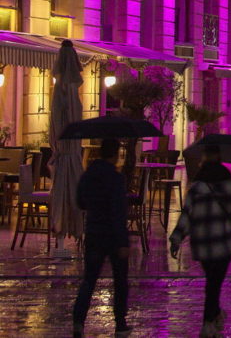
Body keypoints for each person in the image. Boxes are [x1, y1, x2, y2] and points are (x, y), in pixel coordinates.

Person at [169, 145, 231, 338]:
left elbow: (187, 215)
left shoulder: (196, 187)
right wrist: (229, 208)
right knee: (214, 283)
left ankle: (214, 316)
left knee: (212, 282)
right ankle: (208, 322)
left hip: (202, 242)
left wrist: (177, 238)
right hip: (223, 242)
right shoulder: (229, 184)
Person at [72, 138, 131, 338]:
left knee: (89, 279)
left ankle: (78, 321)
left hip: (94, 232)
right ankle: (120, 322)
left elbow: (80, 201)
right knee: (120, 280)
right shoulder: (115, 178)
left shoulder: (88, 175)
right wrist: (123, 241)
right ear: (115, 155)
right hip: (113, 236)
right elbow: (118, 212)